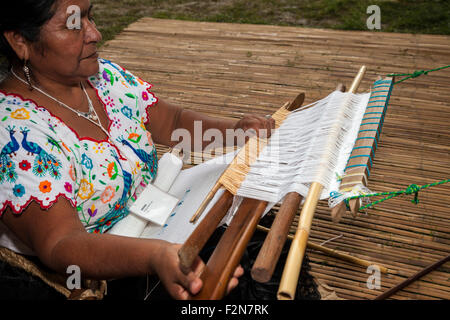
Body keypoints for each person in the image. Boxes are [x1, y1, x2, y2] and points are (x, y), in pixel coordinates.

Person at [0, 0, 275, 300]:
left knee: (255, 238)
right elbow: (61, 244)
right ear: (20, 41)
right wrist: (156, 256)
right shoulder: (14, 134)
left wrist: (237, 133)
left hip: (164, 227)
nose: (94, 33)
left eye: (91, 17)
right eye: (73, 24)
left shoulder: (102, 77)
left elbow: (173, 123)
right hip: (105, 276)